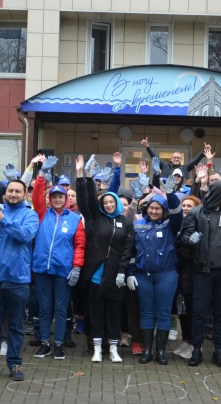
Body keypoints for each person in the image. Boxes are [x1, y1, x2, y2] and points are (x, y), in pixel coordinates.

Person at [0, 171, 39, 382]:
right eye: (10, 190)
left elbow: (25, 236)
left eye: (17, 191)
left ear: (25, 193)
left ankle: (15, 363)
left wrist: (4, 222)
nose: (13, 194)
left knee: (16, 324)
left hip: (17, 279)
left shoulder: (30, 214)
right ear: (4, 193)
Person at [179, 180, 221, 368]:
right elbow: (183, 236)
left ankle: (218, 350)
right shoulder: (196, 213)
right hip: (202, 271)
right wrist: (189, 239)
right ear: (217, 194)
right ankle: (197, 350)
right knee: (199, 312)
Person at [76, 155, 134, 363]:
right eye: (105, 202)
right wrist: (84, 176)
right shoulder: (96, 219)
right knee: (97, 313)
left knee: (114, 314)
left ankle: (114, 349)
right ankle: (98, 348)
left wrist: (121, 271)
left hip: (115, 276)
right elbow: (86, 200)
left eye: (112, 202)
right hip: (95, 276)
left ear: (117, 203)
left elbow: (128, 249)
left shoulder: (125, 223)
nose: (108, 205)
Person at [32, 161, 85, 360]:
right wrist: (42, 175)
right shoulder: (41, 213)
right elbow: (37, 195)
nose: (56, 199)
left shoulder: (74, 219)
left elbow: (79, 246)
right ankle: (45, 342)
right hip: (42, 269)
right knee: (45, 307)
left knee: (61, 308)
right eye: (53, 196)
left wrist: (77, 267)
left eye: (60, 196)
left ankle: (60, 343)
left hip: (63, 271)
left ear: (66, 198)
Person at [127, 175, 183, 365]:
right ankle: (147, 351)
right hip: (143, 276)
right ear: (146, 208)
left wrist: (172, 194)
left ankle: (160, 352)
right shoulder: (137, 225)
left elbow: (177, 213)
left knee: (164, 313)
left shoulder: (170, 226)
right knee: (146, 313)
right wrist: (129, 273)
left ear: (163, 210)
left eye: (158, 208)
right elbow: (131, 251)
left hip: (166, 275)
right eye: (151, 207)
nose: (154, 210)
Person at [173, 195, 201, 360]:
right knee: (181, 309)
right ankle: (184, 340)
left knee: (191, 309)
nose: (185, 208)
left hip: (192, 273)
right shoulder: (179, 224)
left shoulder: (198, 225)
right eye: (183, 205)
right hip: (179, 273)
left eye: (189, 206)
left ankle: (193, 344)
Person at [141, 137, 207, 179]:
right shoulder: (165, 166)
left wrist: (203, 151)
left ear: (181, 160)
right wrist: (147, 147)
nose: (176, 159)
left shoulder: (185, 168)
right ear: (171, 159)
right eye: (174, 157)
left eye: (178, 158)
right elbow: (155, 157)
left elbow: (195, 161)